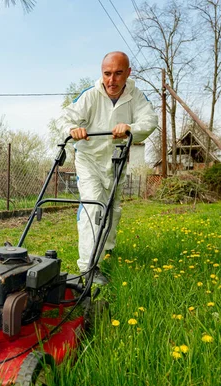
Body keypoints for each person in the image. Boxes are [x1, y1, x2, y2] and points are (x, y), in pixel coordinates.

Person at [58, 51, 158, 285]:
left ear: (128, 73)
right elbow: (66, 118)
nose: (111, 80)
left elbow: (150, 121)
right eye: (107, 74)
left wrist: (130, 127)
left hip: (116, 160)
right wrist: (74, 129)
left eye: (118, 74)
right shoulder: (90, 95)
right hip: (89, 159)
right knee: (93, 206)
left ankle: (108, 248)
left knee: (112, 209)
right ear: (101, 73)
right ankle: (89, 267)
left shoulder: (136, 97)